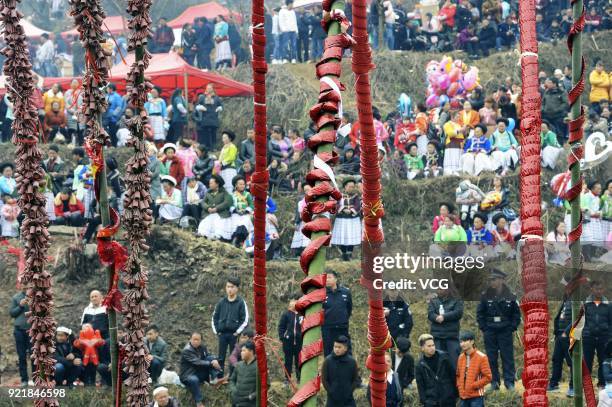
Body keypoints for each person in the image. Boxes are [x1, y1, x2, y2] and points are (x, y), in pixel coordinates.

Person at [476, 269, 521, 390]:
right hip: (490, 330)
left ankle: (509, 382)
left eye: (494, 279)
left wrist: (512, 327)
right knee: (491, 357)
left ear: (501, 280)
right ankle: (494, 382)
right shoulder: (485, 296)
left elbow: (516, 315)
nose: (492, 282)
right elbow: (480, 313)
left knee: (507, 357)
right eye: (490, 280)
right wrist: (484, 328)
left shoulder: (511, 296)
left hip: (505, 330)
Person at [212, 276, 249, 372]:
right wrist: (217, 331)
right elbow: (214, 317)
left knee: (234, 356)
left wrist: (237, 332)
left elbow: (244, 319)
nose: (230, 289)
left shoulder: (241, 302)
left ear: (237, 288)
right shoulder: (221, 302)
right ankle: (219, 377)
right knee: (221, 356)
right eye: (228, 286)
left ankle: (232, 378)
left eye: (232, 287)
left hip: (234, 335)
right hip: (222, 334)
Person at [179, 332, 222, 407]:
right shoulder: (187, 350)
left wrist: (214, 360)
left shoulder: (202, 347)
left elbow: (207, 356)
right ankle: (198, 402)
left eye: (198, 340)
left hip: (198, 371)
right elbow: (197, 362)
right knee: (194, 379)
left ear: (201, 340)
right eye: (194, 339)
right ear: (190, 339)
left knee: (210, 358)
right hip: (188, 375)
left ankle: (214, 379)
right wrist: (211, 363)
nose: (195, 341)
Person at [415, 333, 458, 407]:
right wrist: (425, 401)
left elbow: (453, 376)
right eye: (429, 346)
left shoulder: (444, 358)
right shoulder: (419, 365)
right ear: (422, 348)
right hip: (432, 402)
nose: (432, 348)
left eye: (433, 345)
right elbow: (420, 386)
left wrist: (456, 394)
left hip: (448, 399)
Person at [583, 280, 611, 388]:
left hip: (604, 338)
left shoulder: (608, 305)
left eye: (601, 289)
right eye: (596, 289)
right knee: (587, 362)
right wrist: (584, 333)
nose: (599, 291)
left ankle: (602, 384)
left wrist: (609, 336)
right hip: (588, 337)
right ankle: (587, 384)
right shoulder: (586, 304)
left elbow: (610, 322)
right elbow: (581, 320)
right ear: (592, 289)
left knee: (603, 361)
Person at [428, 287, 464, 368]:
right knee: (438, 362)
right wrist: (436, 317)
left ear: (448, 289)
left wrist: (444, 317)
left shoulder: (456, 300)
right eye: (438, 289)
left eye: (441, 289)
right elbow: (430, 313)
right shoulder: (433, 301)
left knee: (454, 362)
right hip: (437, 336)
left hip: (452, 336)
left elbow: (458, 312)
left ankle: (454, 380)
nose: (439, 290)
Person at [321, 335, 360, 407]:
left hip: (348, 399)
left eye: (339, 347)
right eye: (335, 347)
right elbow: (324, 379)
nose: (336, 349)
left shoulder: (352, 362)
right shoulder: (328, 361)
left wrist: (349, 391)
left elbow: (355, 379)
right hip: (332, 399)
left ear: (345, 348)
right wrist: (331, 391)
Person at [456, 331, 492, 406]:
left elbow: (488, 377)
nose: (462, 344)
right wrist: (460, 387)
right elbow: (458, 375)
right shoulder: (460, 357)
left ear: (472, 341)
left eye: (465, 341)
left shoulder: (482, 357)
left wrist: (473, 385)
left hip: (477, 397)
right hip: (463, 396)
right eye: (461, 341)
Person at [322, 271, 353, 356]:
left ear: (336, 279)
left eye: (329, 277)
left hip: (342, 328)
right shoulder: (322, 293)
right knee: (328, 352)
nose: (327, 280)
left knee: (346, 351)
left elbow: (349, 308)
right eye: (325, 278)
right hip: (328, 328)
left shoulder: (345, 292)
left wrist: (344, 319)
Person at [547, 300, 574, 397]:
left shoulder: (578, 301)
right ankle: (554, 384)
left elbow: (578, 319)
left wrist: (565, 333)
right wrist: (556, 332)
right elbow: (558, 317)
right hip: (559, 336)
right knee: (556, 359)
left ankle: (573, 387)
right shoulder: (566, 300)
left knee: (572, 362)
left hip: (570, 336)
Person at [331, 178, 362, 261]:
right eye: (350, 186)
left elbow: (358, 206)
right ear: (345, 187)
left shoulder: (355, 197)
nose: (352, 188)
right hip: (342, 219)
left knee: (351, 236)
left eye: (353, 187)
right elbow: (336, 205)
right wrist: (343, 209)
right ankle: (344, 254)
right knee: (343, 236)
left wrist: (351, 210)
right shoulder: (339, 196)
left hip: (352, 219)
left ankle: (349, 253)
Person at [198, 175, 234, 241]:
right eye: (209, 183)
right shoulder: (208, 193)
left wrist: (217, 208)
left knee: (218, 222)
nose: (209, 185)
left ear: (217, 184)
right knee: (206, 222)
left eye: (211, 183)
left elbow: (228, 202)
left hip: (220, 214)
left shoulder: (224, 192)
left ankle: (217, 236)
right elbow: (203, 202)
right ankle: (203, 234)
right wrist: (208, 208)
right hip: (209, 213)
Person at [10, 288, 32, 386]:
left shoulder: (37, 296)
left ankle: (36, 380)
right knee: (22, 356)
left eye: (28, 283)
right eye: (24, 283)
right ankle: (24, 380)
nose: (26, 286)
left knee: (34, 356)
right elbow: (12, 313)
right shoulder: (16, 297)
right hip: (19, 330)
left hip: (33, 330)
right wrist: (20, 305)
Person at [278, 295, 302, 382]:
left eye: (296, 300)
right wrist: (282, 338)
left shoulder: (302, 314)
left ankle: (299, 378)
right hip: (288, 342)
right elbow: (281, 327)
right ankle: (287, 379)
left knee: (298, 361)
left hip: (299, 342)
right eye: (292, 300)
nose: (294, 302)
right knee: (288, 361)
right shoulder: (286, 314)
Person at [193, 83, 223, 149]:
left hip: (213, 118)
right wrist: (200, 107)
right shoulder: (202, 97)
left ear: (212, 89)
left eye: (210, 88)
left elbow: (221, 105)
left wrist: (219, 108)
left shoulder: (216, 98)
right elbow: (197, 106)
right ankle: (206, 147)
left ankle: (213, 147)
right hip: (205, 119)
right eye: (207, 88)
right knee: (205, 134)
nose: (208, 89)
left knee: (213, 134)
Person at [229, 340, 258, 407]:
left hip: (249, 403)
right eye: (241, 351)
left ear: (251, 351)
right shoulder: (239, 365)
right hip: (236, 401)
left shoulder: (259, 367)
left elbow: (265, 386)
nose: (241, 353)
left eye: (244, 350)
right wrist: (233, 390)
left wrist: (253, 395)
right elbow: (232, 380)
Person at [541, 77, 569, 142]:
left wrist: (557, 109)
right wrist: (543, 109)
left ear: (554, 84)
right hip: (547, 116)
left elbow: (565, 103)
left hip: (558, 116)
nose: (547, 84)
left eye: (549, 82)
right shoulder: (546, 92)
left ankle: (560, 146)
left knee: (559, 132)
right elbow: (542, 102)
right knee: (548, 131)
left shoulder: (561, 92)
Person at [231, 176, 254, 247]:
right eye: (240, 184)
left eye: (243, 184)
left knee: (245, 222)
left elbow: (251, 205)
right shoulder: (232, 195)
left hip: (245, 214)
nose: (242, 186)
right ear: (236, 185)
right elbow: (230, 205)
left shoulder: (247, 194)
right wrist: (235, 210)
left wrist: (246, 210)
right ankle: (235, 239)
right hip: (235, 213)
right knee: (235, 222)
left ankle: (241, 240)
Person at [65, 79, 84, 145]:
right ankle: (70, 143)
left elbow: (83, 103)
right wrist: (73, 111)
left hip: (80, 114)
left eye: (76, 83)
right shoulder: (67, 93)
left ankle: (81, 144)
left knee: (80, 130)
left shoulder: (81, 92)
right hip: (71, 114)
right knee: (71, 129)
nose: (75, 84)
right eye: (73, 83)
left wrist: (79, 110)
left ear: (78, 84)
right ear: (70, 84)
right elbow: (66, 104)